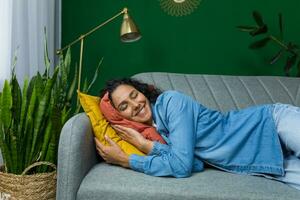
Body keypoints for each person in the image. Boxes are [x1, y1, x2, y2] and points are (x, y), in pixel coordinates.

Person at [95, 78, 300, 191]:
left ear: (142, 92)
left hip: (273, 122)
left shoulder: (171, 102)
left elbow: (181, 166)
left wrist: (129, 159)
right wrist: (148, 144)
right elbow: (195, 164)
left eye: (134, 95)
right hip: (268, 160)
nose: (135, 104)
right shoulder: (158, 135)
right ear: (120, 117)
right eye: (124, 106)